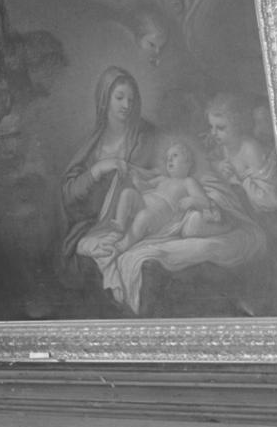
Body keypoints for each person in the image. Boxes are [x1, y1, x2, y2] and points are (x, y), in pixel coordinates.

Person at [59, 66, 159, 274]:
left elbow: (167, 172)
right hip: (96, 225)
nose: (126, 105)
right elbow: (69, 194)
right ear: (105, 99)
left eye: (131, 99)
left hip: (140, 222)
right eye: (119, 97)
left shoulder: (147, 135)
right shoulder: (92, 146)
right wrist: (98, 169)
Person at [111, 136, 224, 246]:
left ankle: (124, 244)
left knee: (144, 216)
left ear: (188, 163)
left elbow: (204, 201)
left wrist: (191, 201)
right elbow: (145, 186)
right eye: (168, 157)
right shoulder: (163, 179)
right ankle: (120, 225)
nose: (169, 159)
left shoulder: (188, 182)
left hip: (158, 216)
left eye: (175, 155)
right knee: (127, 193)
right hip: (143, 204)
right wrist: (137, 180)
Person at [206, 92, 277, 213]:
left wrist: (240, 181)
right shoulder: (221, 147)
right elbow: (207, 164)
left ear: (236, 126)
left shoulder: (250, 149)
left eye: (220, 128)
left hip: (262, 215)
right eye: (211, 127)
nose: (213, 132)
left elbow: (270, 199)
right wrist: (217, 166)